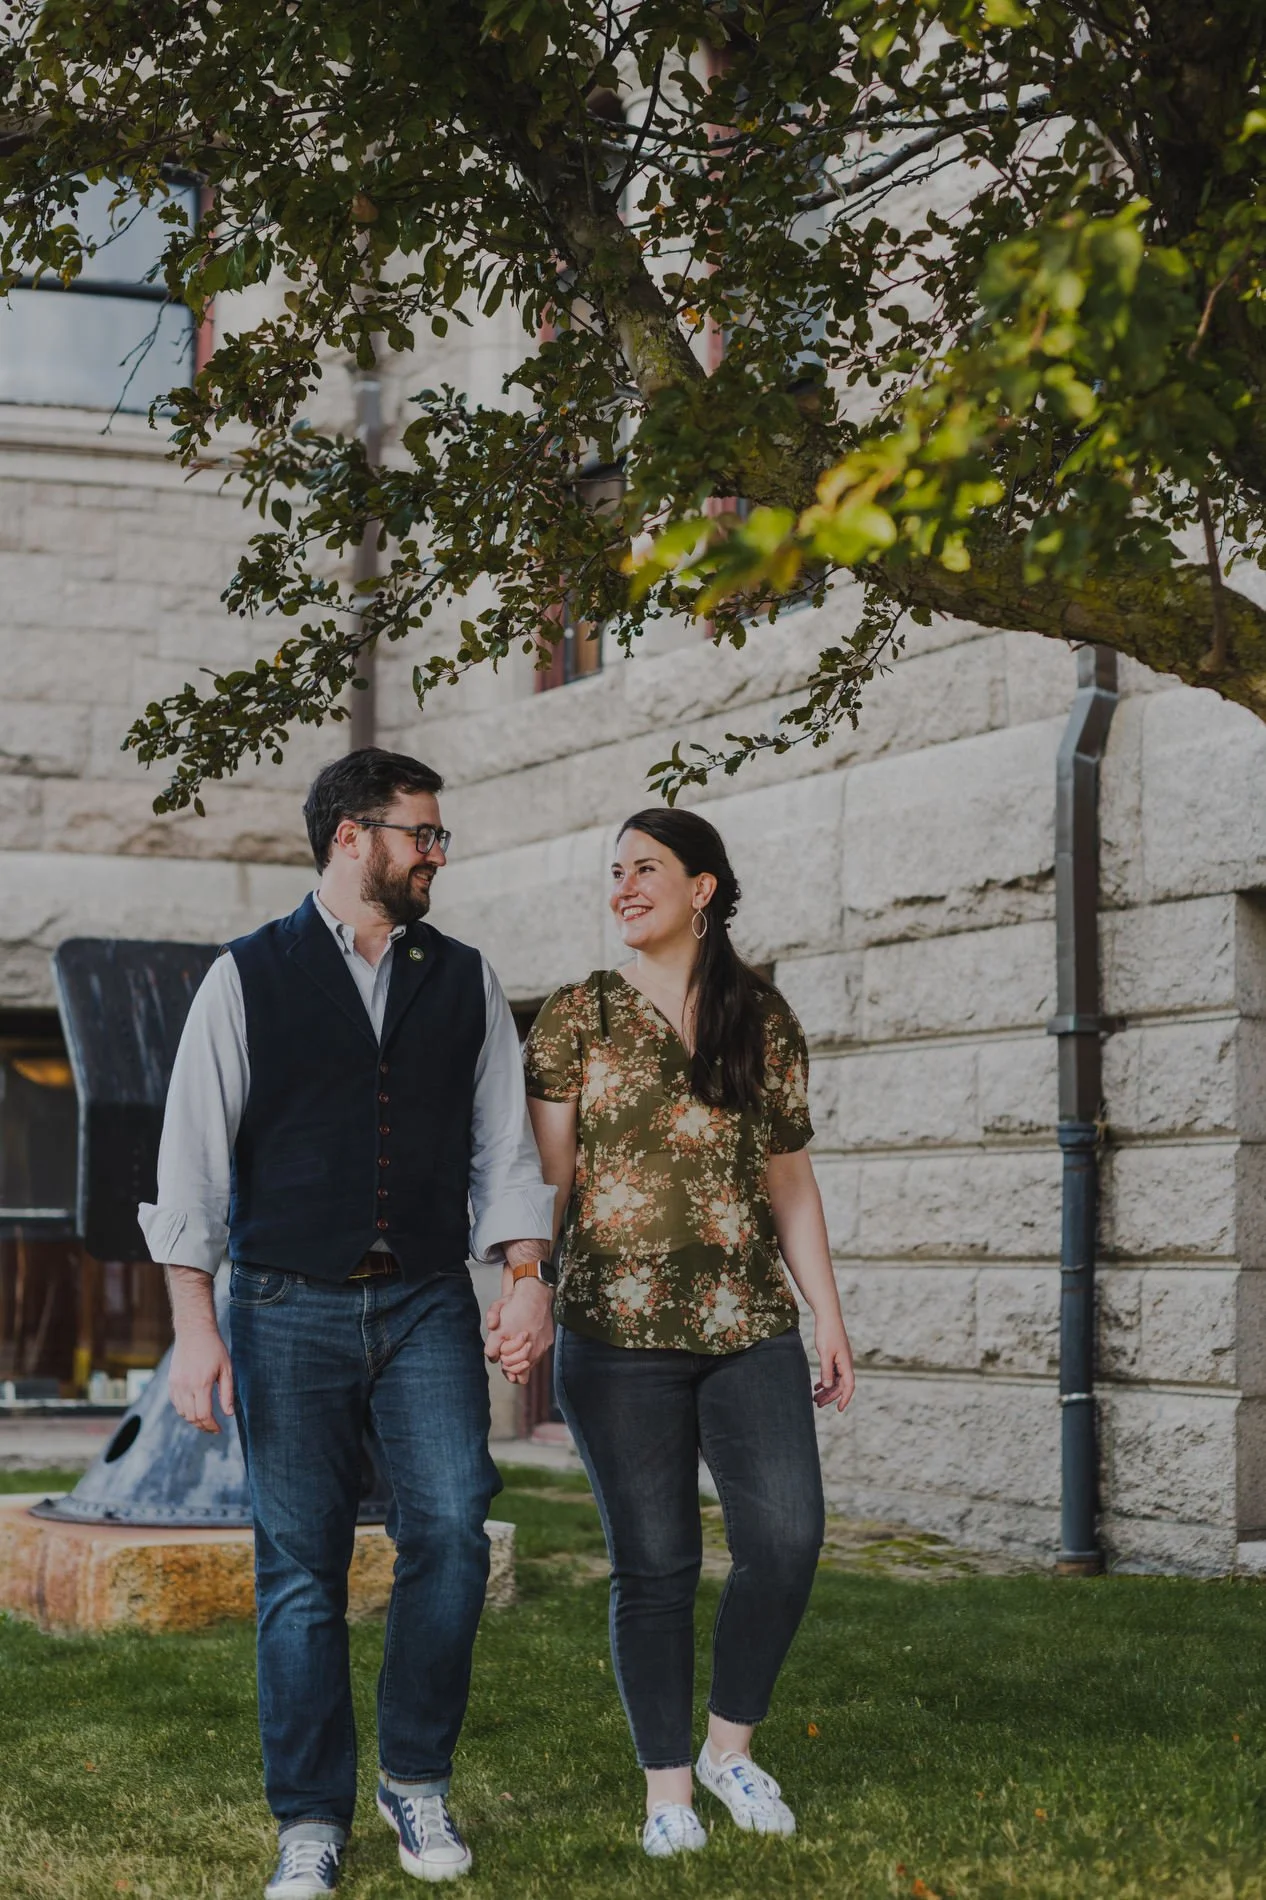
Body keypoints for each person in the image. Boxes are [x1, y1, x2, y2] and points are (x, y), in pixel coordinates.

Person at [138, 749, 555, 1898]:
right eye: (422, 833)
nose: (436, 854)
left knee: (454, 1529)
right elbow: (190, 1162)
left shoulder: (462, 978)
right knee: (299, 1568)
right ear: (350, 837)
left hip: (424, 1296)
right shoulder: (246, 976)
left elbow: (503, 1149)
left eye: (438, 835)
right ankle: (311, 1817)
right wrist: (196, 1328)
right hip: (284, 1303)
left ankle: (413, 1778)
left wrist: (527, 1275)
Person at [517, 806, 855, 1859]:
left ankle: (728, 1749)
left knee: (787, 1538)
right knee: (656, 1563)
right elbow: (550, 1178)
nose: (622, 886)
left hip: (749, 1324)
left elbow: (789, 1180)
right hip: (615, 1333)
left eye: (645, 868)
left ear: (702, 888)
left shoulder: (765, 1018)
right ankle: (667, 1790)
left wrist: (827, 1314)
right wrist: (528, 1282)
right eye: (614, 871)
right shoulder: (579, 1014)